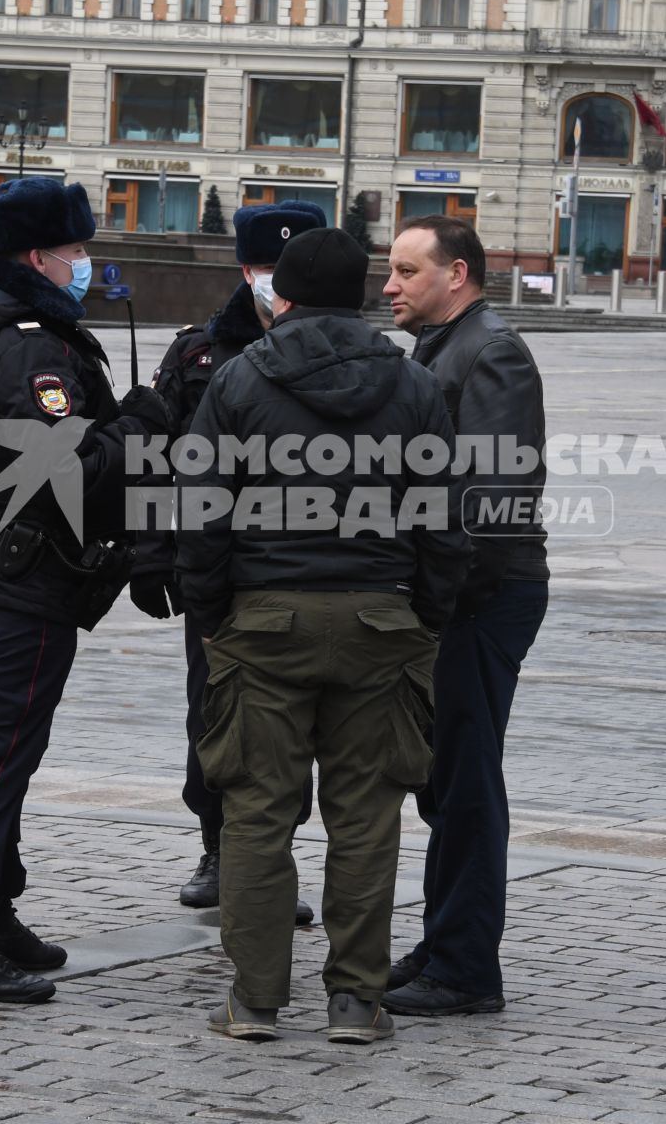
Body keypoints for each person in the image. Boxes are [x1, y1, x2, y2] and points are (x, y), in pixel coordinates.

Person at [176, 227, 471, 1044]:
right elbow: (445, 519)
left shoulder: (239, 377)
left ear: (288, 297)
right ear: (362, 295)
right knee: (368, 817)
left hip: (264, 617)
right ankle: (355, 1001)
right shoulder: (411, 383)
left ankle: (257, 1001)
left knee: (257, 814)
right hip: (382, 618)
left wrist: (213, 616)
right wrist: (425, 617)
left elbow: (199, 512)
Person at [0, 176, 171, 1005]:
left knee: (8, 744)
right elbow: (62, 467)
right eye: (77, 250)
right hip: (26, 569)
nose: (86, 265)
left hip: (10, 562)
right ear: (37, 256)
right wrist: (137, 427)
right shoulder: (26, 340)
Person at [130, 201, 327, 922]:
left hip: (297, 570)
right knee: (211, 715)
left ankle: (272, 859)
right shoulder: (196, 354)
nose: (276, 282)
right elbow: (156, 463)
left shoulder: (341, 347)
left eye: (290, 267)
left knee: (292, 727)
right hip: (212, 573)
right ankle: (216, 847)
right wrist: (150, 557)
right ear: (245, 269)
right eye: (265, 268)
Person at [379, 215, 549, 1018]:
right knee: (445, 781)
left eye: (408, 271)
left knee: (468, 784)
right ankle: (445, 940)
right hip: (455, 594)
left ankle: (467, 968)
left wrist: (439, 596)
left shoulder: (492, 351)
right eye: (391, 270)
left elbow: (495, 497)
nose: (390, 286)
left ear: (458, 275)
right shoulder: (445, 347)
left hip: (480, 598)